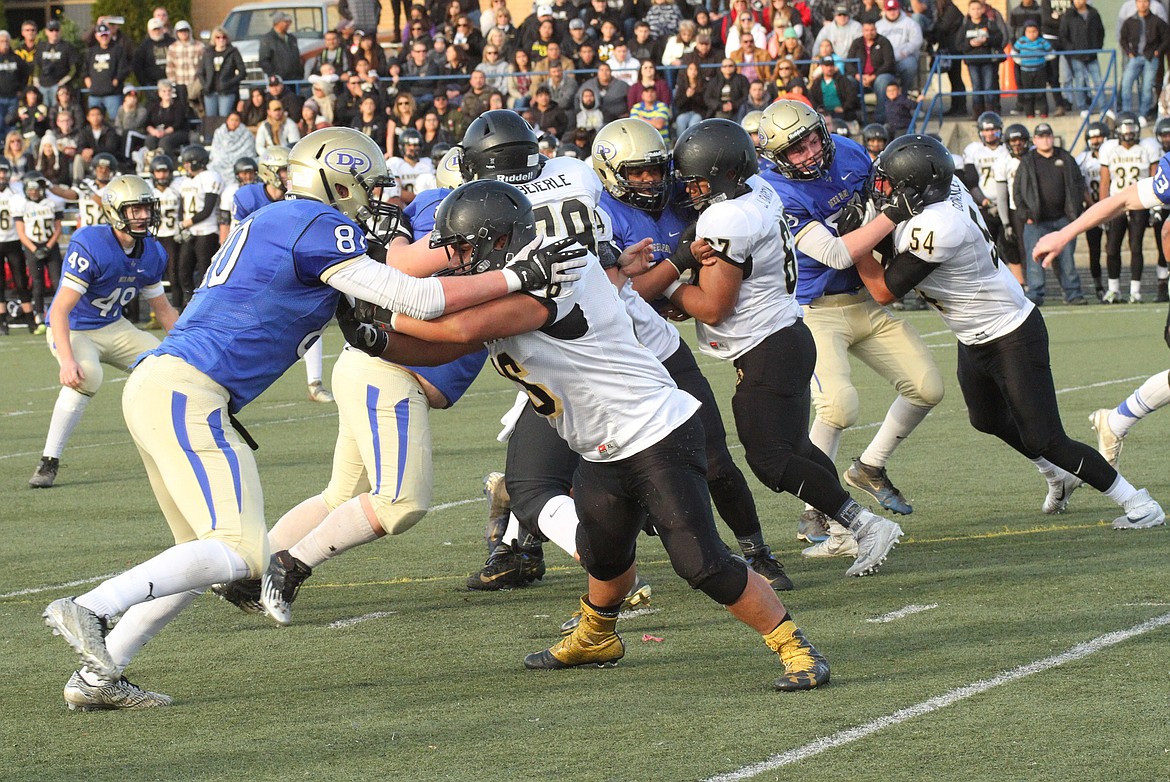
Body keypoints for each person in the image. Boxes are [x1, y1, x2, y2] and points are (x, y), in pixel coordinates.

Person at [41, 126, 588, 710]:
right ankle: (93, 607)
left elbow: (391, 285)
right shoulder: (316, 224)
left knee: (202, 557)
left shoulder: (282, 221)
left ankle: (99, 677)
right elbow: (418, 298)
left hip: (170, 388)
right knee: (240, 552)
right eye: (367, 185)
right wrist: (517, 277)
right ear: (337, 178)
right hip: (188, 392)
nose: (375, 198)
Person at [355, 177, 831, 690]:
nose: (457, 259)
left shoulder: (557, 268)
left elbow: (454, 329)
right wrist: (374, 339)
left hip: (655, 434)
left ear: (500, 239)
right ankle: (597, 636)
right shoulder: (514, 276)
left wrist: (373, 302)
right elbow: (444, 348)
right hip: (602, 445)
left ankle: (796, 648)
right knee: (602, 551)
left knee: (701, 562)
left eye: (466, 248)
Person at [851, 134, 1165, 532]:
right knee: (985, 418)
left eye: (892, 184)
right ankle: (1058, 476)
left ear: (917, 188)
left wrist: (855, 244)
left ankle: (1137, 501)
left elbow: (882, 290)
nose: (883, 190)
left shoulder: (937, 224)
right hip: (975, 332)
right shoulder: (945, 192)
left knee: (1046, 437)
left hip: (1010, 333)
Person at [648, 119, 906, 577]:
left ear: (724, 174)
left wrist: (663, 283)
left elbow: (712, 308)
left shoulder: (727, 216)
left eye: (701, 180)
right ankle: (853, 525)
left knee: (770, 461)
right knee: (797, 450)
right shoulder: (759, 191)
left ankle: (864, 524)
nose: (694, 191)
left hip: (767, 345)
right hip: (786, 335)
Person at [590, 117, 794, 589]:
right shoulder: (600, 217)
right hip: (612, 360)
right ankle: (518, 536)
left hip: (662, 348)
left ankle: (756, 550)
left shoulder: (687, 199)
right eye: (636, 173)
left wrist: (677, 289)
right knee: (596, 469)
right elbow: (622, 290)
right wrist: (678, 265)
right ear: (609, 172)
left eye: (655, 170)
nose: (649, 181)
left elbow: (685, 279)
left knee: (716, 458)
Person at [755, 100, 941, 554]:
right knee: (838, 408)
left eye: (814, 139)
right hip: (814, 308)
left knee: (927, 386)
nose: (811, 152)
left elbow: (882, 202)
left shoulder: (849, 151)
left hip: (863, 298)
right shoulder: (773, 189)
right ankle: (818, 506)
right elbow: (836, 253)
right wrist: (892, 215)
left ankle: (869, 467)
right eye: (796, 150)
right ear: (777, 156)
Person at [28, 176, 180, 490]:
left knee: (167, 369)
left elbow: (163, 309)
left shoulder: (152, 251)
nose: (142, 216)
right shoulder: (92, 243)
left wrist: (188, 348)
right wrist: (67, 361)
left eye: (145, 208)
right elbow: (59, 311)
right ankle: (49, 460)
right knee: (87, 376)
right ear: (114, 211)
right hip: (75, 329)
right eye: (134, 209)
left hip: (113, 326)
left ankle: (173, 450)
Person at [1013, 122, 1087, 306]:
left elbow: (1078, 184)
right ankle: (1036, 294)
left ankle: (1073, 293)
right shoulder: (1028, 161)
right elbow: (1017, 191)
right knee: (1035, 259)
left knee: (1067, 259)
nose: (1045, 139)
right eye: (1041, 136)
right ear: (1035, 140)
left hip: (1063, 219)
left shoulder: (1065, 158)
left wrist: (1075, 212)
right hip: (1036, 220)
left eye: (1048, 135)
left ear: (1052, 137)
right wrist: (1025, 215)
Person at [1098, 112, 1157, 302]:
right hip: (1117, 203)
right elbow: (1105, 182)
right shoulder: (1109, 149)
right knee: (1112, 247)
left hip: (1140, 201)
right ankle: (1114, 289)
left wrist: (1155, 207)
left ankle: (1135, 291)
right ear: (1117, 131)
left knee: (1136, 246)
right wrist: (1102, 209)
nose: (1129, 133)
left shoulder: (1147, 147)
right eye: (1125, 129)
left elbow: (1155, 177)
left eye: (1132, 129)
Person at [174, 145, 223, 308]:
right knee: (183, 270)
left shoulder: (210, 176)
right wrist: (183, 224)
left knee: (205, 271)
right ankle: (189, 305)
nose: (186, 166)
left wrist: (184, 223)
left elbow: (207, 209)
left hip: (207, 232)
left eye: (188, 162)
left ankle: (206, 306)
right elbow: (182, 207)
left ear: (197, 162)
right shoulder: (185, 181)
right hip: (190, 232)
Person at [15, 176, 64, 332]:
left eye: (36, 189)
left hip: (50, 245)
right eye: (31, 190)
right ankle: (39, 317)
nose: (34, 192)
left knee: (59, 282)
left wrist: (48, 246)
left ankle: (62, 315)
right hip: (32, 246)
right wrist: (35, 249)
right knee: (37, 284)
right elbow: (21, 232)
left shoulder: (51, 203)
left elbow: (58, 228)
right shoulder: (23, 205)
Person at [1119, 0, 1168, 123]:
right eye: (1140, 2)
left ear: (1149, 3)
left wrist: (1158, 51)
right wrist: (1128, 51)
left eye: (1145, 1)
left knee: (1147, 87)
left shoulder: (1156, 21)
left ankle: (1143, 114)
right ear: (1136, 3)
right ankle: (1127, 113)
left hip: (1151, 57)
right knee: (1126, 83)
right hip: (1135, 57)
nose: (1143, 4)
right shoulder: (1130, 21)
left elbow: (1167, 37)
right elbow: (1122, 38)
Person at [956, 0, 1003, 117]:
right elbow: (958, 45)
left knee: (988, 86)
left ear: (982, 10)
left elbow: (999, 38)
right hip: (972, 61)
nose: (976, 12)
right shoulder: (965, 26)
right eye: (973, 9)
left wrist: (986, 40)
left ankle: (990, 112)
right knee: (976, 86)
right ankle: (977, 113)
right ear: (969, 11)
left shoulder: (989, 23)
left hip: (987, 60)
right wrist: (970, 44)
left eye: (978, 9)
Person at [0, 161, 32, 334]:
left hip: (13, 240)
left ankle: (30, 321)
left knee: (21, 282)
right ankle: (2, 323)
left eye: (4, 171)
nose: (1, 175)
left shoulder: (17, 190)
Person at [199, 28, 246, 120]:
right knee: (211, 118)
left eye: (224, 37)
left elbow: (242, 72)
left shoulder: (233, 52)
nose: (221, 40)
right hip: (210, 91)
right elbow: (201, 72)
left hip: (227, 91)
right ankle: (211, 135)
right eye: (218, 37)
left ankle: (223, 135)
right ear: (214, 39)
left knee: (224, 117)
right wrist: (205, 85)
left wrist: (229, 83)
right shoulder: (207, 53)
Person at [83, 24, 128, 119]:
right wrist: (87, 80)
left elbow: (123, 69)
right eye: (101, 35)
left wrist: (116, 81)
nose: (104, 37)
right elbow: (85, 68)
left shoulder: (117, 49)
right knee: (94, 121)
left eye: (106, 35)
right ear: (96, 36)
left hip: (113, 94)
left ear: (110, 35)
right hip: (95, 94)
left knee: (115, 121)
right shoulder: (92, 51)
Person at [33, 20, 78, 109]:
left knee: (57, 111)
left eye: (56, 30)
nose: (54, 32)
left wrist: (62, 82)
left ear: (60, 31)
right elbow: (36, 66)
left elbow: (74, 68)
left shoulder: (67, 47)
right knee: (42, 111)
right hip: (42, 86)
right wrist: (36, 81)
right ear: (46, 32)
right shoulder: (41, 46)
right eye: (51, 30)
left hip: (58, 87)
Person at [165, 21, 204, 115]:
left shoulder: (199, 46)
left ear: (190, 31)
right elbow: (170, 67)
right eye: (180, 31)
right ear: (176, 33)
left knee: (197, 108)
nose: (183, 33)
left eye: (185, 30)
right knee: (182, 109)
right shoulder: (173, 48)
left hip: (195, 83)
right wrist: (173, 82)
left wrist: (201, 81)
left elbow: (203, 65)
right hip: (180, 83)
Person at [258, 11, 302, 83]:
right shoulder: (268, 39)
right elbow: (264, 61)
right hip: (279, 81)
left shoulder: (292, 38)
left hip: (295, 79)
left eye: (289, 22)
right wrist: (274, 75)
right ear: (277, 22)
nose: (288, 24)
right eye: (286, 22)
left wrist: (300, 72)